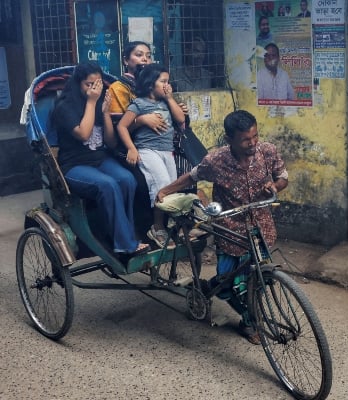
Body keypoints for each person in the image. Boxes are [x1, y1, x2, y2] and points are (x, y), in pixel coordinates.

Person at [156, 110, 289, 345]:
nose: (252, 143)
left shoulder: (267, 151)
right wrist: (166, 191)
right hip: (230, 229)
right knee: (227, 283)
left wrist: (274, 185)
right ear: (230, 140)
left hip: (262, 228)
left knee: (258, 279)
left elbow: (283, 176)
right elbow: (191, 177)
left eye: (255, 136)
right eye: (246, 140)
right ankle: (211, 288)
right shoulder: (216, 160)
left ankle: (249, 322)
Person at [52, 61, 149, 256]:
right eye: (88, 84)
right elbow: (84, 135)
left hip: (99, 159)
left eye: (97, 84)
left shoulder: (99, 103)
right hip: (73, 165)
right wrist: (91, 102)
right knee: (108, 185)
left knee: (127, 179)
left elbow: (111, 143)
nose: (93, 88)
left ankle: (124, 234)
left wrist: (104, 113)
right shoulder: (65, 107)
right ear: (78, 83)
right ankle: (124, 244)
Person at [116, 63, 186, 248]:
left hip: (166, 151)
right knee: (161, 184)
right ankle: (156, 227)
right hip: (148, 151)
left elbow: (180, 119)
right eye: (163, 81)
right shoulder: (139, 104)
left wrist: (170, 98)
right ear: (149, 84)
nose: (167, 85)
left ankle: (170, 224)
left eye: (168, 81)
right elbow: (122, 126)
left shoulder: (165, 103)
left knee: (172, 186)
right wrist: (131, 148)